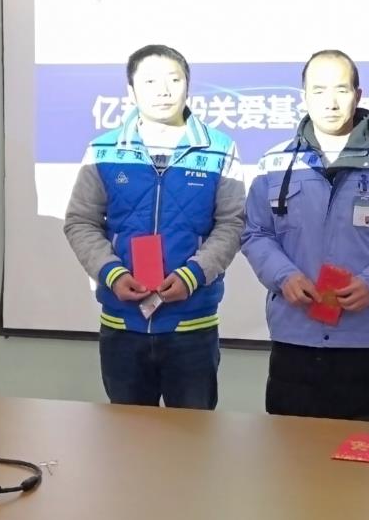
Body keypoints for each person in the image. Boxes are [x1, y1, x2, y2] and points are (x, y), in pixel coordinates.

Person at [241, 49, 369, 422]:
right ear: (304, 96)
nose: (331, 101)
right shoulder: (276, 161)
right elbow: (255, 232)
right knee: (294, 451)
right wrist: (284, 276)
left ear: (358, 94)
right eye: (319, 90)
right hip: (297, 334)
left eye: (341, 89)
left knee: (364, 451)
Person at [64, 44, 245, 409]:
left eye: (173, 80)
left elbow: (232, 223)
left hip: (191, 326)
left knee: (193, 437)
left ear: (188, 85)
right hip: (122, 325)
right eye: (149, 82)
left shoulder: (219, 149)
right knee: (127, 436)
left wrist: (193, 275)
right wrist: (112, 273)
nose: (163, 91)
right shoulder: (103, 149)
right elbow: (81, 221)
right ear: (131, 91)